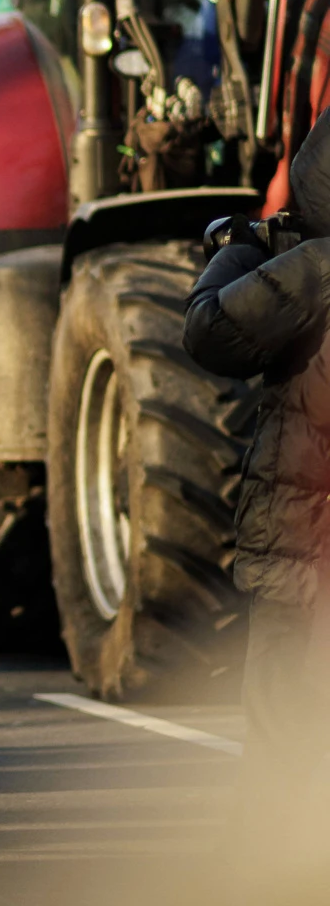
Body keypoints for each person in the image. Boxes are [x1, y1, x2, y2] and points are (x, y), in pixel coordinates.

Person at [183, 110, 330, 859]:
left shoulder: (315, 272)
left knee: (282, 751)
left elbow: (209, 329)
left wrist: (244, 248)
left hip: (303, 554)